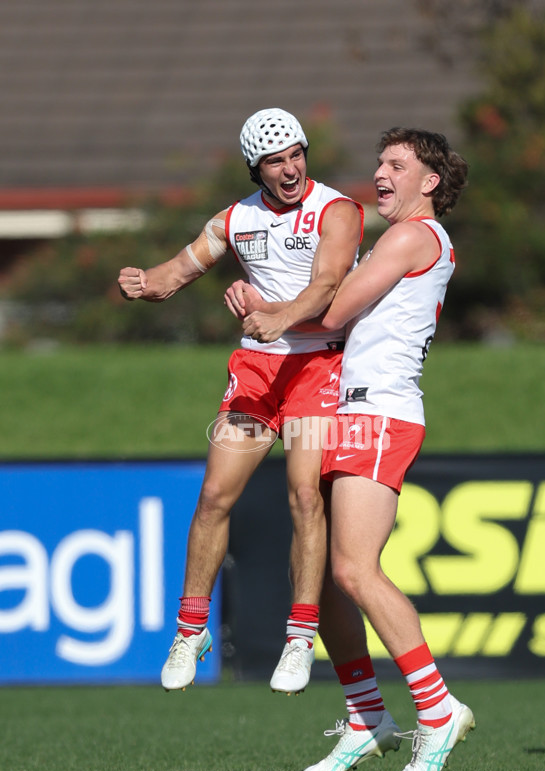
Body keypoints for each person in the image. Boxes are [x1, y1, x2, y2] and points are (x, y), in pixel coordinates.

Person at [118, 109, 394, 725]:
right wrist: (141, 281)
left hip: (318, 368)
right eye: (276, 161)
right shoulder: (234, 220)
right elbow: (177, 274)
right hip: (258, 372)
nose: (291, 168)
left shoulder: (336, 210)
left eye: (297, 154)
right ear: (256, 168)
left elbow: (326, 286)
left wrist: (274, 314)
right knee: (215, 494)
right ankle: (191, 630)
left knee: (303, 495)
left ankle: (299, 638)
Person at [241, 127, 474, 771]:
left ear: (429, 181)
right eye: (379, 162)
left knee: (354, 569)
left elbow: (335, 308)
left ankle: (436, 706)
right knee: (318, 569)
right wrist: (286, 304)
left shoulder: (411, 236)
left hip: (381, 412)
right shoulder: (396, 238)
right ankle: (367, 715)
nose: (380, 172)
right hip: (351, 410)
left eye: (396, 164)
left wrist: (273, 308)